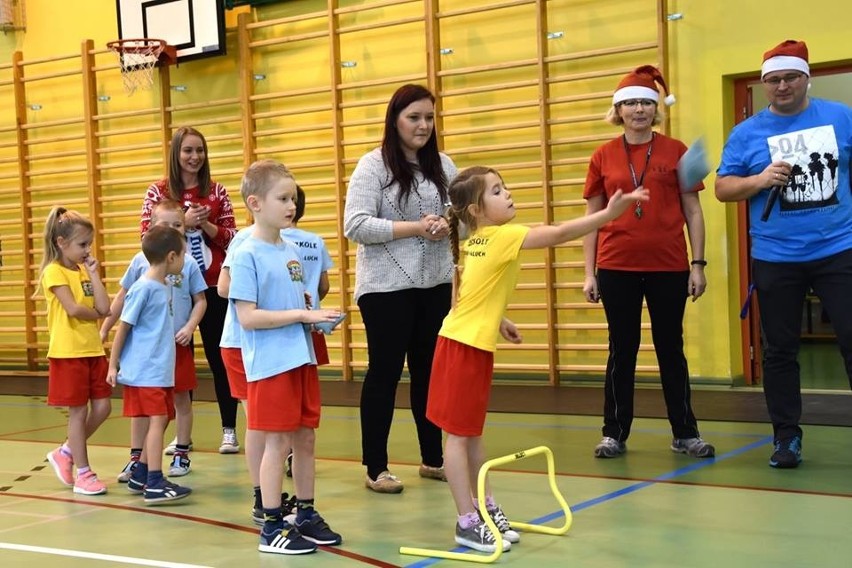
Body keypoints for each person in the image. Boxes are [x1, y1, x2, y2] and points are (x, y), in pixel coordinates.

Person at [427, 166, 647, 552]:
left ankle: (485, 507)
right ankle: (465, 521)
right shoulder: (503, 236)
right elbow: (559, 233)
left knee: (471, 435)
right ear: (476, 210)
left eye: (505, 186)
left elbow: (466, 295)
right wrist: (608, 215)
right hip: (461, 348)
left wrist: (500, 321)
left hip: (468, 344)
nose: (507, 193)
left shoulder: (476, 240)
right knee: (458, 439)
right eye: (496, 191)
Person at [715, 40, 852, 469]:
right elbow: (722, 188)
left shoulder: (840, 117)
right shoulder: (746, 133)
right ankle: (786, 437)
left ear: (806, 78)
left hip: (839, 250)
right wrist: (757, 180)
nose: (781, 86)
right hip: (776, 256)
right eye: (773, 80)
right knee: (779, 350)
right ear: (763, 84)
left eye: (790, 77)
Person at [581, 65, 715, 460]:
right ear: (618, 109)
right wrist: (589, 272)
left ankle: (685, 432)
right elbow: (593, 217)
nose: (639, 109)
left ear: (655, 108)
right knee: (622, 349)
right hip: (616, 266)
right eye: (631, 102)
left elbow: (693, 210)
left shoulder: (678, 150)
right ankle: (614, 433)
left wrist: (698, 264)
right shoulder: (602, 156)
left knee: (670, 347)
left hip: (669, 266)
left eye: (645, 102)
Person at [343, 84, 457, 494]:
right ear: (395, 120)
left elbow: (462, 215)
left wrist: (449, 223)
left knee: (430, 373)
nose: (423, 125)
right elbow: (355, 225)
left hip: (436, 285)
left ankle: (433, 458)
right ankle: (376, 467)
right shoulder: (372, 166)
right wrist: (417, 228)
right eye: (414, 117)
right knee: (385, 373)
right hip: (385, 289)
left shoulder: (444, 165)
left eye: (429, 117)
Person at [229, 159, 343, 554]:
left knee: (305, 439)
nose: (291, 205)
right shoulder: (246, 253)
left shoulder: (293, 249)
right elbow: (248, 317)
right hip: (271, 364)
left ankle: (305, 514)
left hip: (301, 357)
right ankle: (272, 525)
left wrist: (315, 316)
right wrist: (301, 314)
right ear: (255, 203)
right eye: (283, 198)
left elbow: (298, 301)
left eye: (293, 198)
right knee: (276, 443)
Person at [141, 126, 240, 455]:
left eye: (200, 150)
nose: (194, 157)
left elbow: (233, 238)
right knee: (175, 359)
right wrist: (182, 219)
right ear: (175, 154)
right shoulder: (158, 191)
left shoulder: (217, 191)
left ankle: (229, 429)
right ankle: (181, 432)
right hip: (169, 289)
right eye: (188, 151)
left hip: (211, 286)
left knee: (219, 358)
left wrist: (205, 224)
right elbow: (146, 237)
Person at [101, 200, 207, 481]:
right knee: (142, 409)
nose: (172, 229)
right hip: (146, 350)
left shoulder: (188, 262)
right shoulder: (140, 263)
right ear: (150, 228)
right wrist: (106, 326)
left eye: (178, 225)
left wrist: (189, 326)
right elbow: (123, 299)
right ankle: (138, 459)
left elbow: (201, 301)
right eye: (164, 225)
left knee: (179, 401)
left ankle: (181, 451)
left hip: (176, 345)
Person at [106, 225, 193, 505]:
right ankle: (155, 481)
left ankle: (140, 472)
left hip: (159, 370)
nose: (185, 259)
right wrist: (112, 364)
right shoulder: (143, 288)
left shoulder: (163, 285)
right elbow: (124, 328)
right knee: (156, 422)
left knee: (163, 417)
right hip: (146, 371)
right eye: (182, 254)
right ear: (170, 257)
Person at [37, 207, 112, 496]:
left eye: (88, 244)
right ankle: (83, 472)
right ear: (61, 243)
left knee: (104, 408)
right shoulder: (53, 272)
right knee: (78, 413)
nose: (87, 250)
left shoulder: (82, 270)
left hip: (92, 350)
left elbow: (104, 308)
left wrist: (93, 274)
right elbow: (73, 309)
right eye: (82, 245)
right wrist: (95, 313)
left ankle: (66, 451)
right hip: (68, 353)